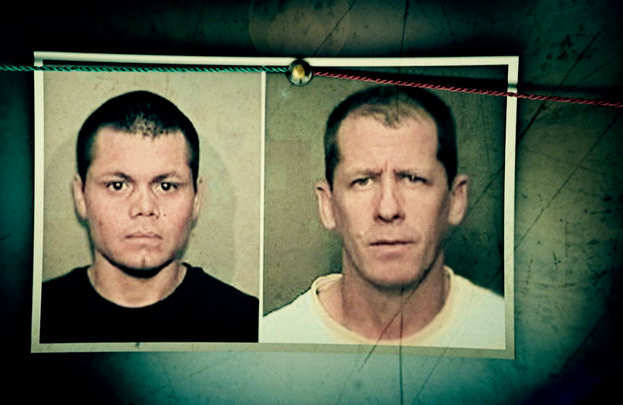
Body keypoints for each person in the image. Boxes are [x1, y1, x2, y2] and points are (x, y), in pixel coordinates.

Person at [261, 86, 505, 349]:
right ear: (328, 206)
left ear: (456, 199)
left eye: (413, 179)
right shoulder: (270, 342)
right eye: (363, 181)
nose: (388, 210)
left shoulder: (514, 337)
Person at [40, 90, 258, 343]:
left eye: (166, 186)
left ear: (197, 198)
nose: (144, 207)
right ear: (80, 196)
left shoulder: (249, 325)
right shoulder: (28, 317)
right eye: (118, 185)